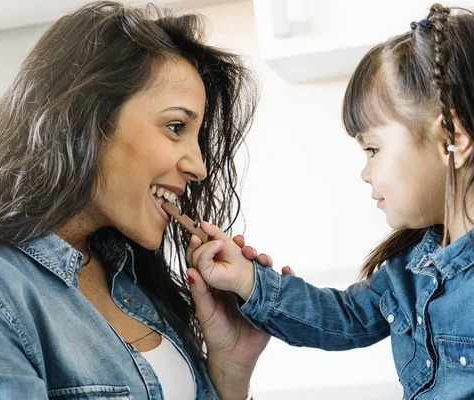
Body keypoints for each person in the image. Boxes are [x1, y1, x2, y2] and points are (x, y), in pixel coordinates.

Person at [0, 1, 273, 398]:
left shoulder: (130, 277)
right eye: (175, 126)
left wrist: (229, 370)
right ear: (90, 121)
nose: (199, 167)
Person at [187, 3, 474, 400]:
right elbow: (344, 317)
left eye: (372, 149)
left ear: (451, 139)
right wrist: (248, 281)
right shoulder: (406, 269)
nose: (365, 171)